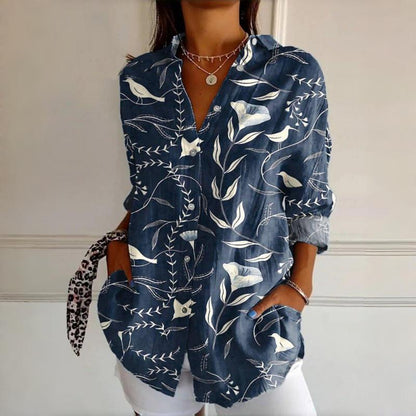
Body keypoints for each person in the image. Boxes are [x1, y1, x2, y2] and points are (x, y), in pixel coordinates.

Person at [102, 0, 336, 415]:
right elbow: (150, 187)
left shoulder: (293, 73)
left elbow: (309, 195)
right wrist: (118, 244)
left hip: (251, 323)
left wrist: (301, 286)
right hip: (150, 321)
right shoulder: (141, 80)